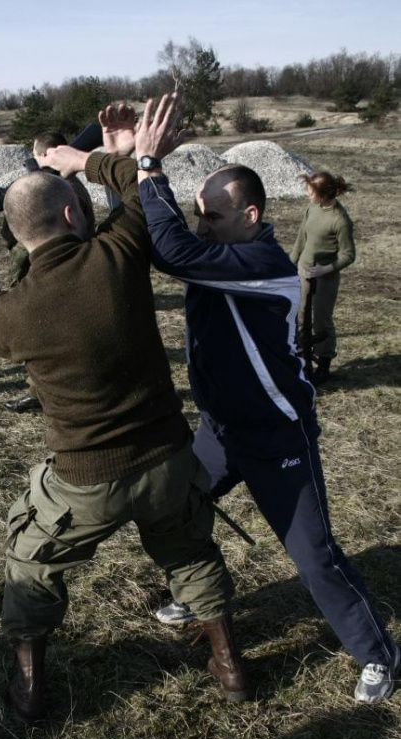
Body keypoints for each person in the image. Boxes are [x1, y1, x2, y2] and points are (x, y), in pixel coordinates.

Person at [0, 103, 243, 721]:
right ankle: (230, 664)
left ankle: (29, 685)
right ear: (74, 212)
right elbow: (140, 192)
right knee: (188, 550)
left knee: (29, 560)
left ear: (18, 236)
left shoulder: (11, 317)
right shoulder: (118, 253)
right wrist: (96, 159)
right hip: (167, 459)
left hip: (85, 480)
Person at [127, 95, 398, 705]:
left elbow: (172, 251)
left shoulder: (262, 262)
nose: (203, 230)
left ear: (249, 215)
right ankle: (193, 594)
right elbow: (164, 240)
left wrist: (149, 167)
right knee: (179, 509)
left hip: (277, 437)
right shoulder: (224, 252)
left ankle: (380, 653)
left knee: (314, 557)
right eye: (200, 221)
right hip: (220, 431)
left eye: (213, 221)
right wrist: (118, 160)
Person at [1, 130, 96, 414]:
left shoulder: (57, 188)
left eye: (35, 154)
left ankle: (43, 394)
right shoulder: (67, 185)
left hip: (57, 269)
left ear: (46, 155)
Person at [291, 171, 355, 386]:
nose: (308, 195)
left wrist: (324, 270)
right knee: (299, 317)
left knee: (321, 321)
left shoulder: (339, 220)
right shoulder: (312, 208)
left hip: (325, 277)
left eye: (311, 191)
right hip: (303, 272)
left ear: (323, 193)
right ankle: (302, 360)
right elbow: (302, 236)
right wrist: (292, 262)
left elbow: (348, 255)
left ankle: (324, 364)